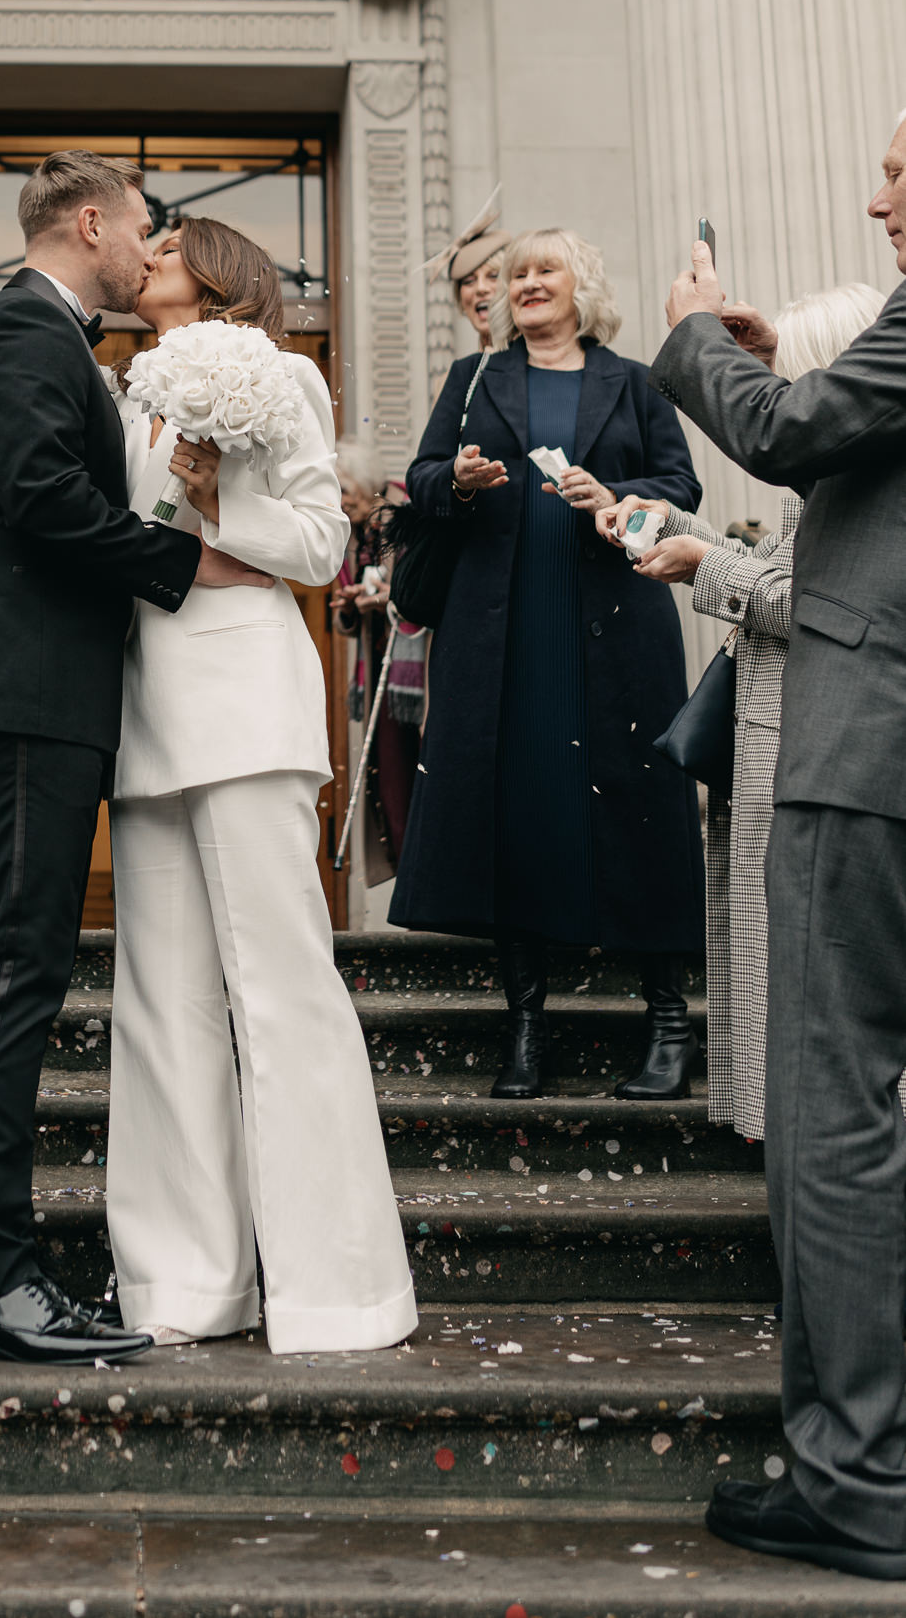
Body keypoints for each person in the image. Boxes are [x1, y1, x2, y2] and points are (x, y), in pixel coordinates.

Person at [0, 149, 256, 1367]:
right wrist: (185, 565)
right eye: (144, 227)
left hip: (43, 691)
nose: (146, 247)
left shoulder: (46, 335)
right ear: (94, 222)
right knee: (16, 973)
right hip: (21, 691)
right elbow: (45, 496)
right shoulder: (19, 330)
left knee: (27, 966)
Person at [653, 127, 906, 1582]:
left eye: (898, 177)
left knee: (833, 1115)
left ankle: (858, 1473)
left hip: (869, 752)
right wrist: (770, 362)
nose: (875, 200)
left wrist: (697, 338)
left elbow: (790, 438)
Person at [105, 219, 417, 1354]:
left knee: (281, 992)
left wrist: (209, 503)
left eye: (166, 244)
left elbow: (320, 542)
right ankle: (183, 1282)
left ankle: (336, 1290)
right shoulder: (122, 386)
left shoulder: (281, 373)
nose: (143, 254)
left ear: (218, 274)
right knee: (158, 1006)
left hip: (243, 698)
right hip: (142, 706)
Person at [390, 228, 704, 1102]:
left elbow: (683, 491)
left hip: (615, 624)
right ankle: (527, 1031)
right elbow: (417, 478)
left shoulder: (635, 381)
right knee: (516, 807)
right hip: (503, 634)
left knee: (642, 808)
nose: (526, 283)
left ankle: (668, 1027)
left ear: (580, 286)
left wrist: (617, 496)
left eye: (544, 271)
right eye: (517, 273)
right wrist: (454, 478)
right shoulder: (475, 378)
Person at [600, 282, 887, 1144]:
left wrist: (704, 568)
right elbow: (791, 570)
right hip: (777, 743)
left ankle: (811, 1199)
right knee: (771, 976)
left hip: (815, 744)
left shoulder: (861, 468)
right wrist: (681, 529)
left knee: (801, 990)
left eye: (794, 376)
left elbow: (829, 600)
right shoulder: (832, 466)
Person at [332, 445, 425, 885]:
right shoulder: (352, 534)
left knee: (418, 773)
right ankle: (407, 878)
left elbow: (424, 589)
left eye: (346, 489)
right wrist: (351, 604)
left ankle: (424, 875)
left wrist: (388, 597)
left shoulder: (403, 515)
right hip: (378, 672)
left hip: (417, 673)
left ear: (368, 483)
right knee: (389, 777)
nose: (341, 500)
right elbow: (347, 613)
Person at [424, 196, 511, 351]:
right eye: (469, 281)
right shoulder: (458, 374)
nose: (481, 288)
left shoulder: (544, 367)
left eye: (493, 276)